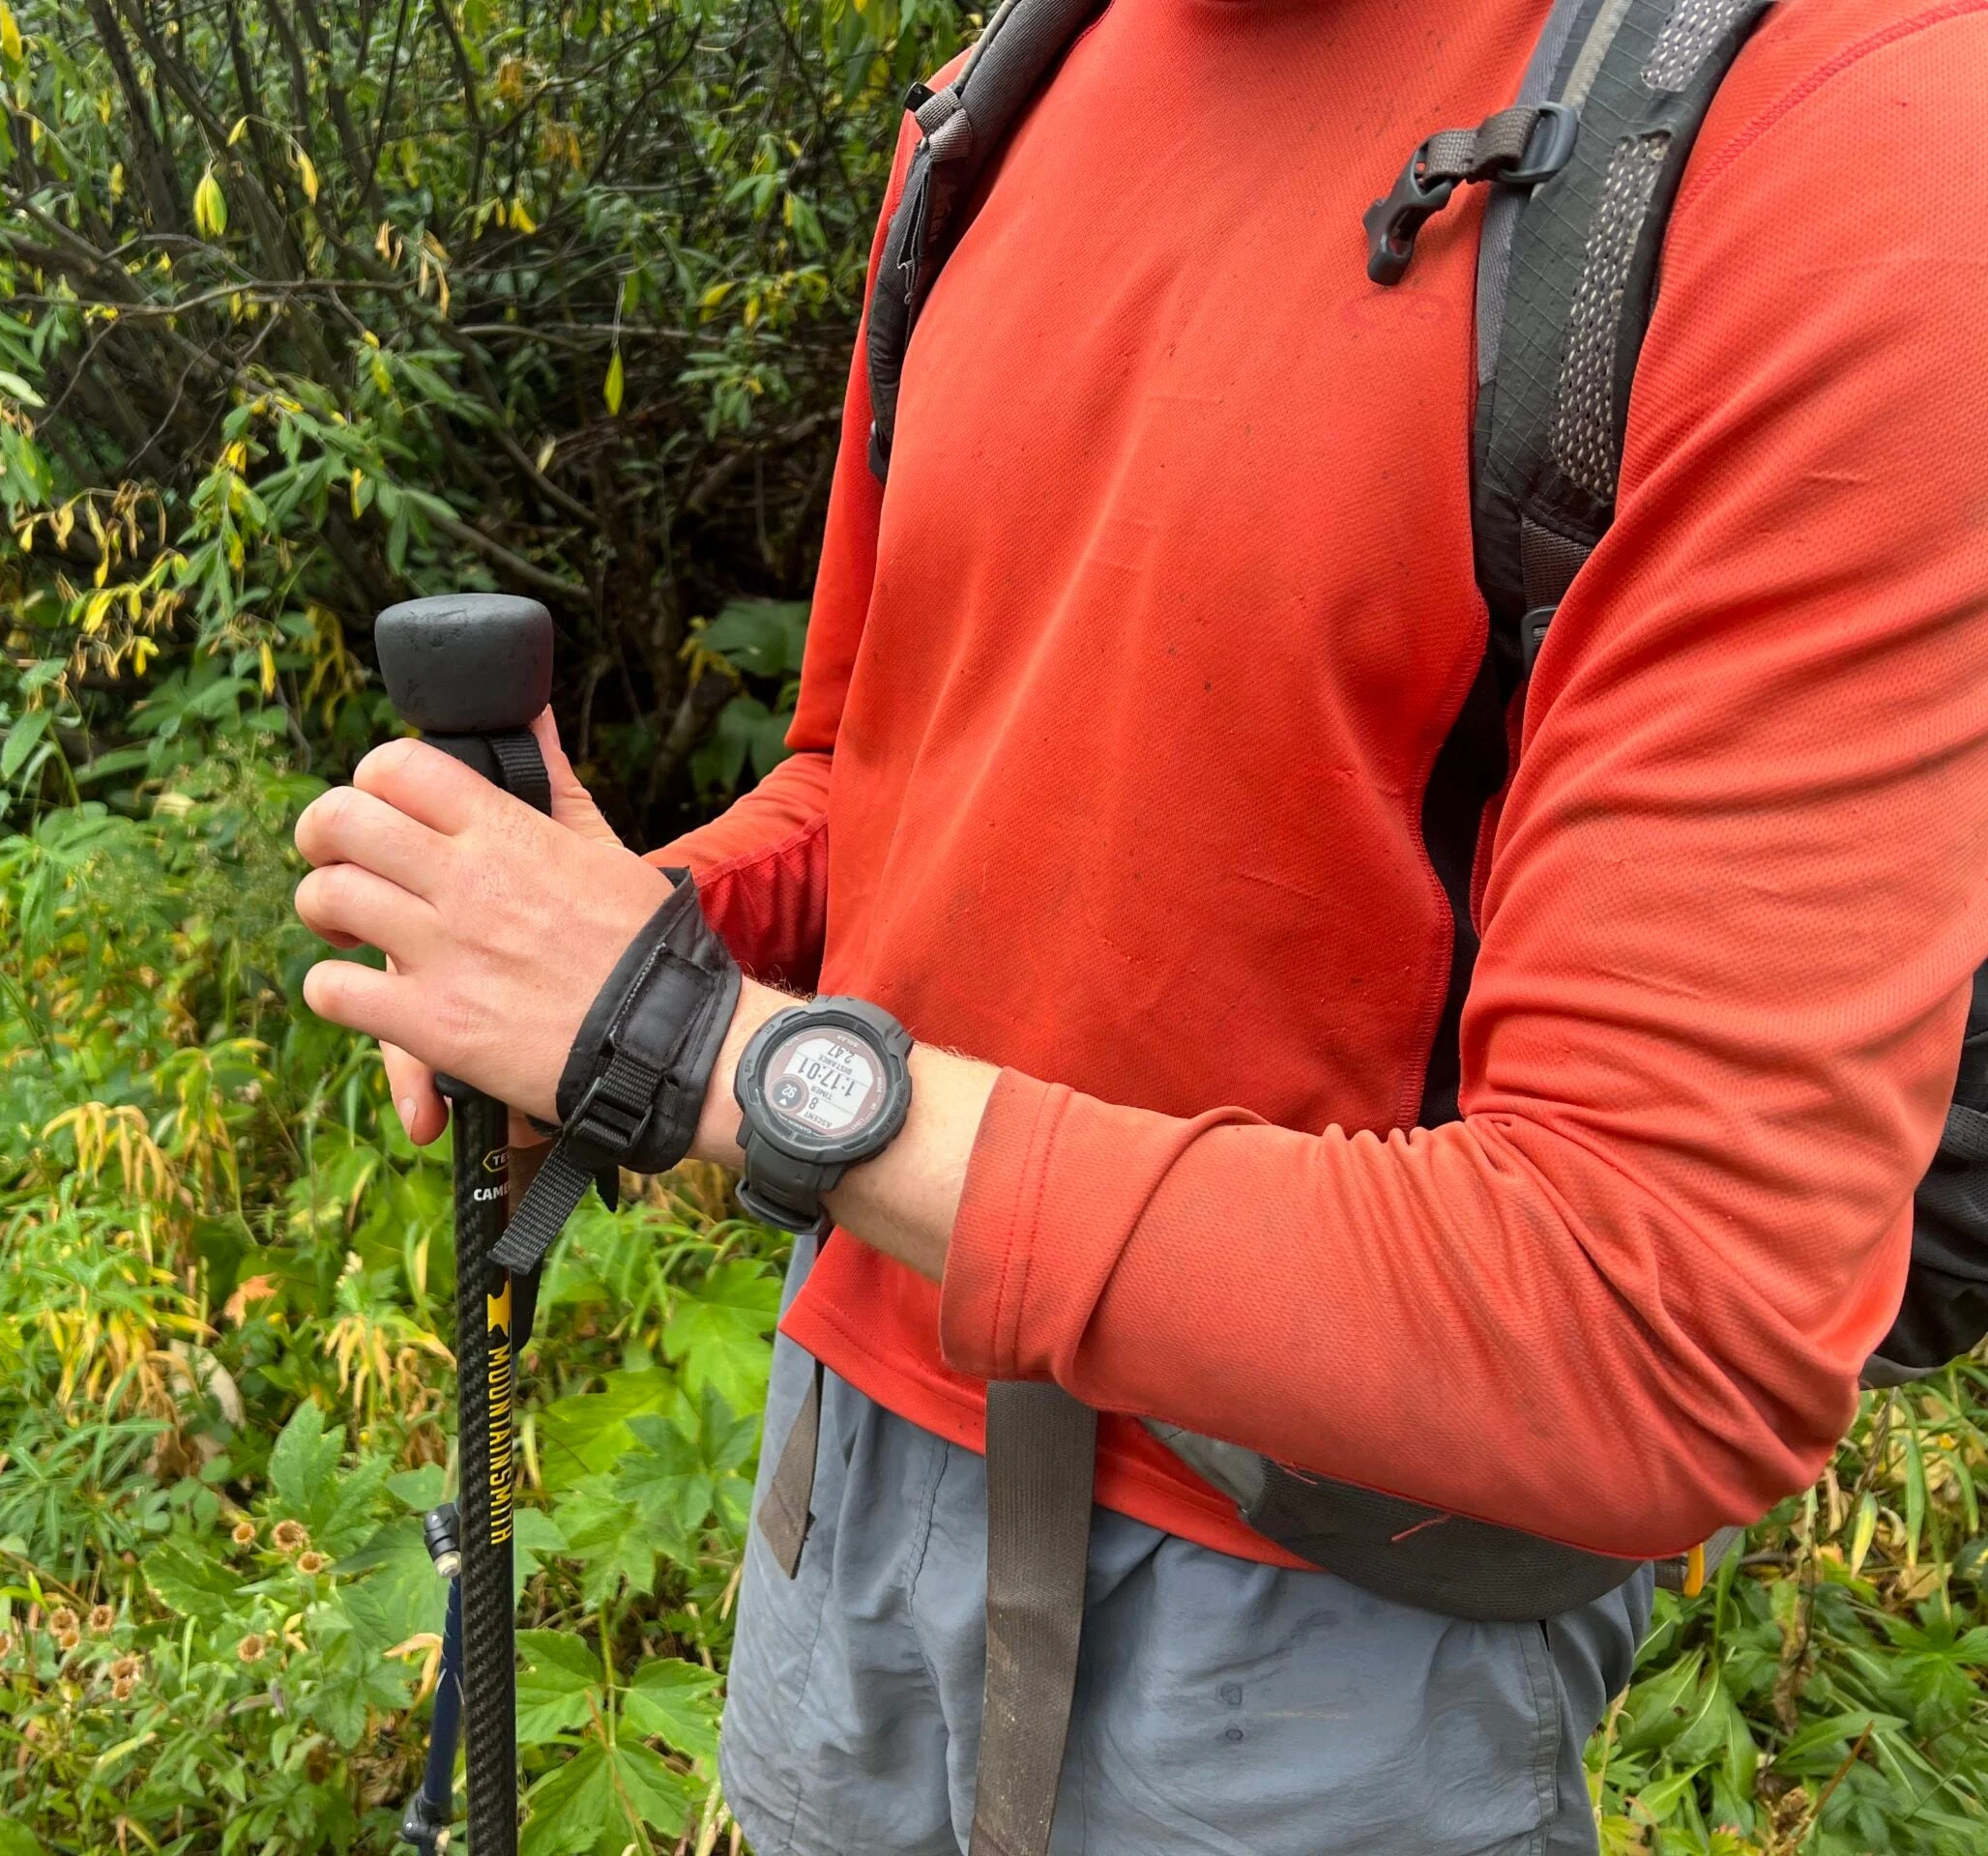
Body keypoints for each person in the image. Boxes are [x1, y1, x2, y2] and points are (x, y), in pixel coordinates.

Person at [290, 0, 1988, 1844]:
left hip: (1325, 1606)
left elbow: (1651, 1315)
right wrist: (637, 943)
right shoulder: (1014, 84)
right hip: (845, 1454)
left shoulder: (1841, 118)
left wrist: (700, 1051)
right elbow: (885, 773)